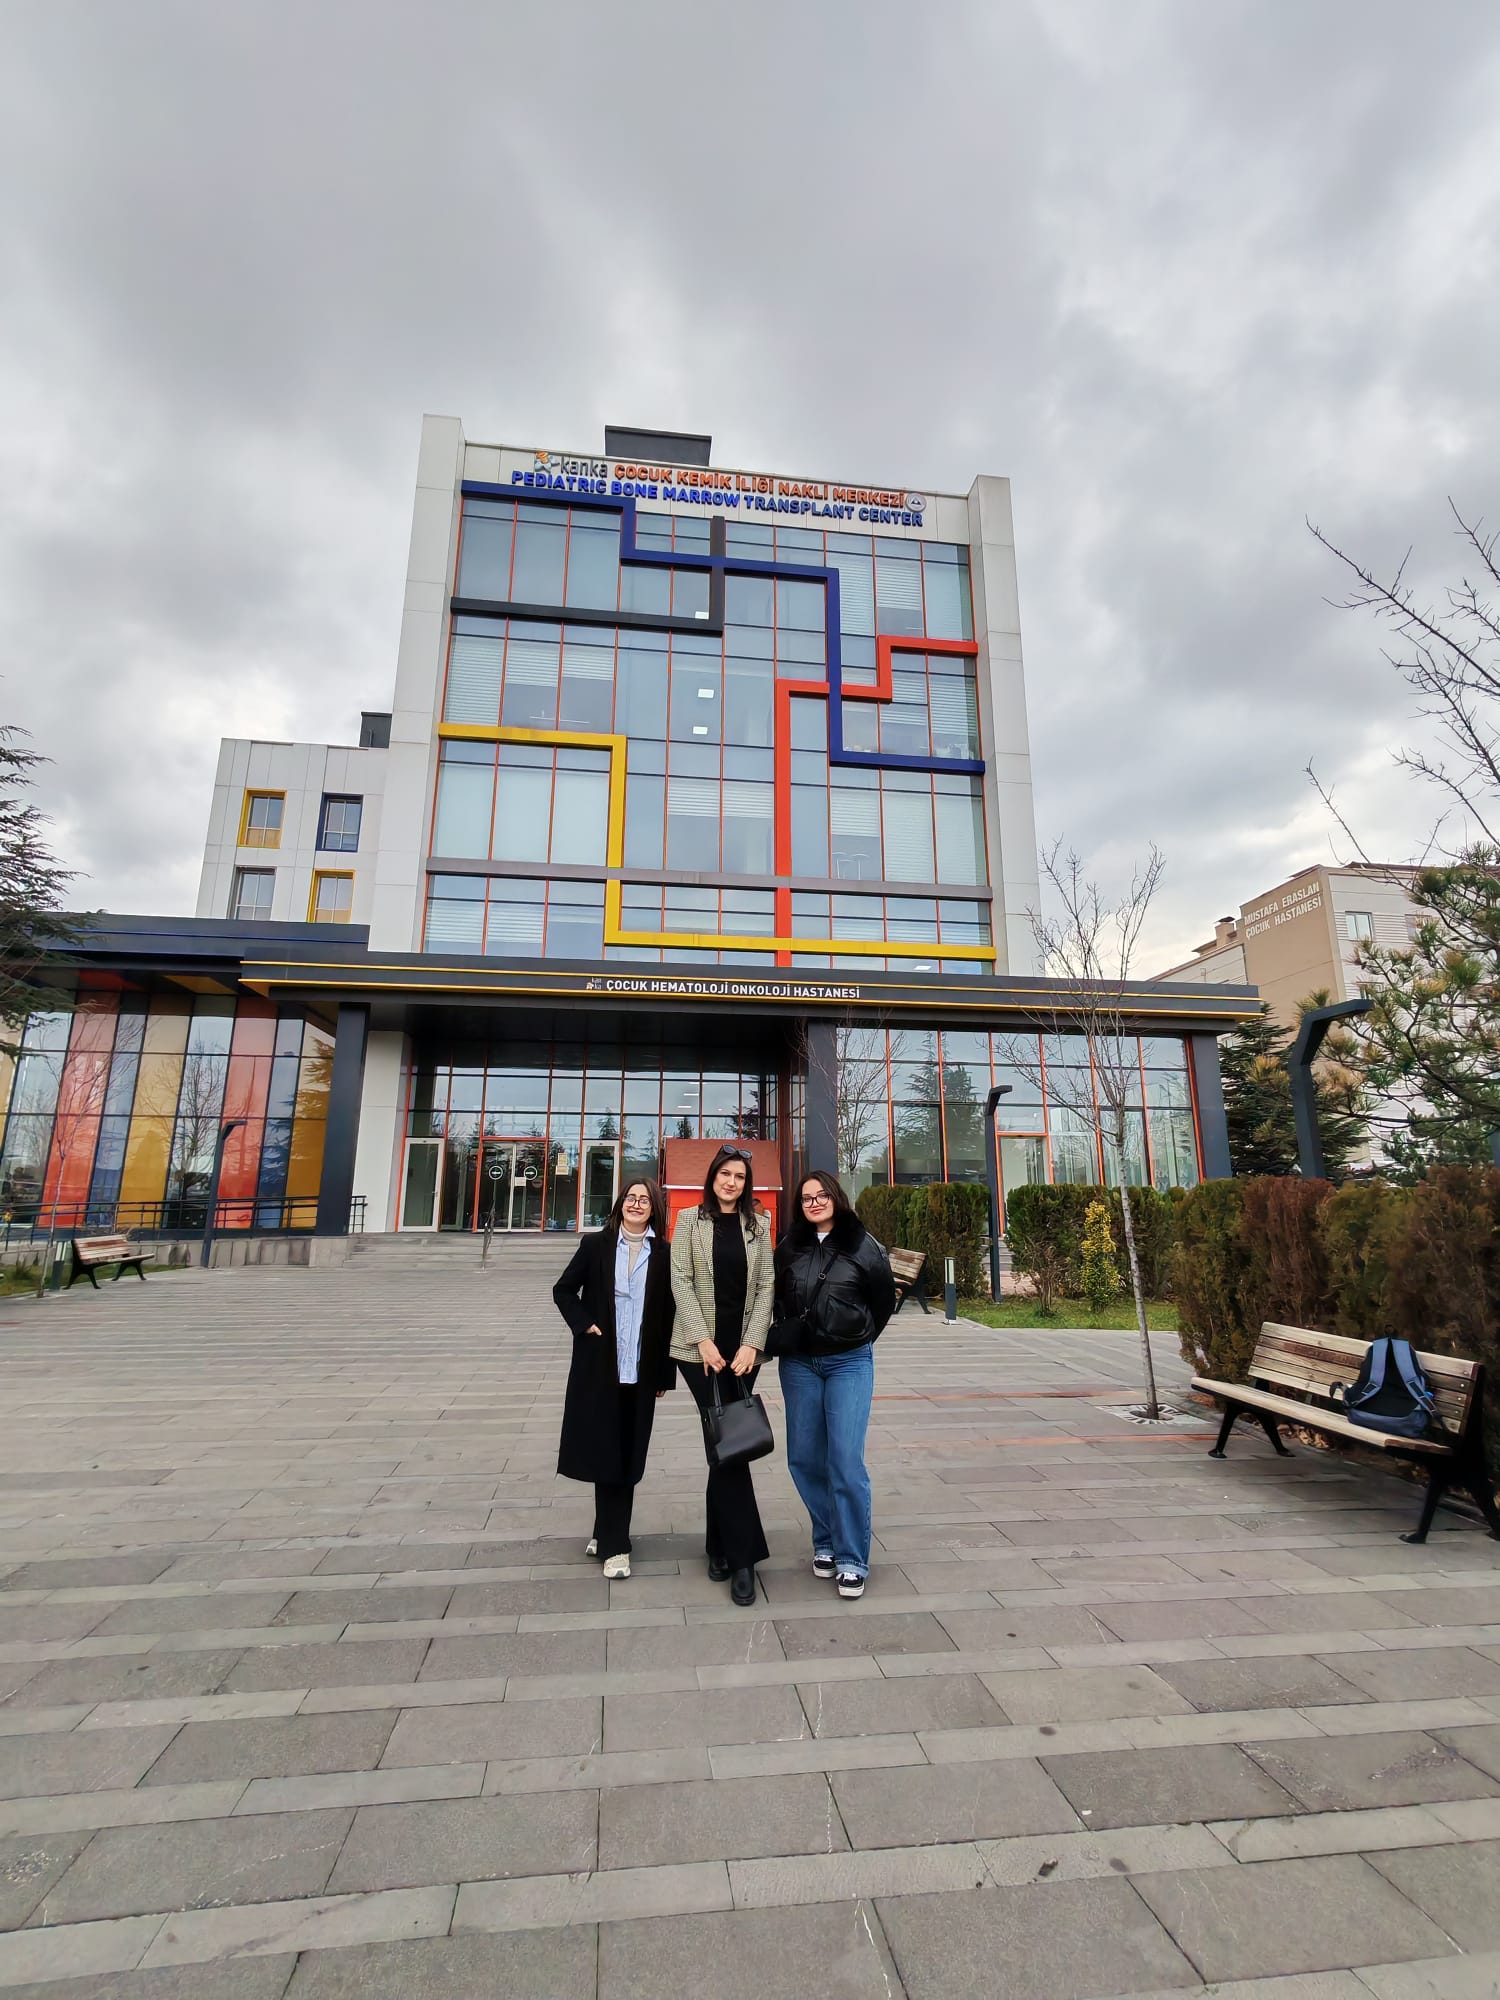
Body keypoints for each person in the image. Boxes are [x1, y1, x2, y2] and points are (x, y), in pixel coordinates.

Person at [773, 1170, 896, 1600]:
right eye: (807, 1198)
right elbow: (773, 1296)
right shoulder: (789, 1246)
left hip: (849, 1363)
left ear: (836, 1198)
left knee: (845, 1460)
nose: (814, 1203)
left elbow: (883, 1301)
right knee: (804, 1458)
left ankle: (851, 1557)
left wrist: (855, 1336)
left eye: (822, 1195)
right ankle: (825, 1539)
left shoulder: (863, 1245)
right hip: (799, 1364)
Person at [552, 1179, 675, 1581]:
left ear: (654, 1208)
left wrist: (664, 1372)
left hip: (641, 1370)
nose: (636, 1204)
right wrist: (584, 1324)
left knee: (629, 1453)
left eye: (645, 1200)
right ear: (621, 1203)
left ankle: (604, 1531)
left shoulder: (664, 1254)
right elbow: (563, 1290)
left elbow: (668, 1315)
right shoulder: (595, 1246)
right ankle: (615, 1544)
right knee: (607, 1451)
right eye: (631, 1198)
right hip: (600, 1369)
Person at [669, 1144, 775, 1607]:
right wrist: (703, 1340)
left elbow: (767, 1284)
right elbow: (680, 1280)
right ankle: (743, 1558)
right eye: (724, 1174)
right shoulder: (689, 1221)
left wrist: (752, 1342)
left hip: (743, 1354)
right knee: (729, 1446)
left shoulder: (759, 1225)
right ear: (712, 1178)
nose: (731, 1182)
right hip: (700, 1354)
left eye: (739, 1176)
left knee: (725, 1447)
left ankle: (719, 1546)